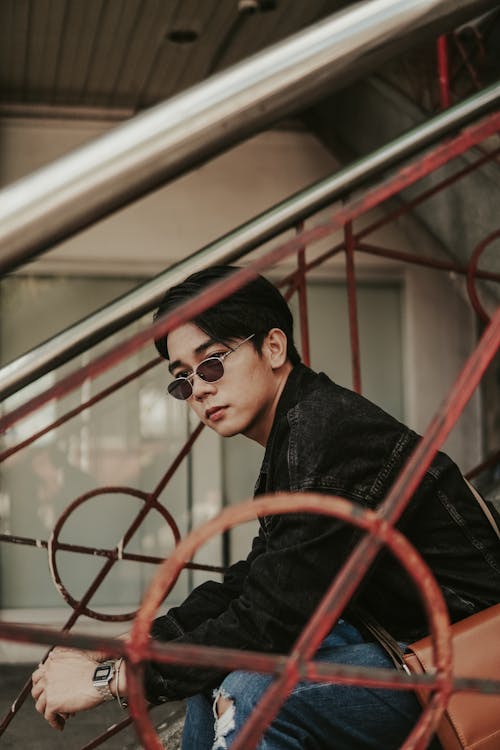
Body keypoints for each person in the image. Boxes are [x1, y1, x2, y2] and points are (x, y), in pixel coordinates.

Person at [32, 265, 500, 749]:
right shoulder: (299, 432)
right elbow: (256, 585)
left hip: (471, 654)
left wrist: (110, 679)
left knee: (253, 694)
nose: (200, 389)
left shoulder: (328, 436)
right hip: (401, 636)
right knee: (219, 665)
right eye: (183, 380)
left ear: (274, 347)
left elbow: (267, 623)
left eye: (211, 362)